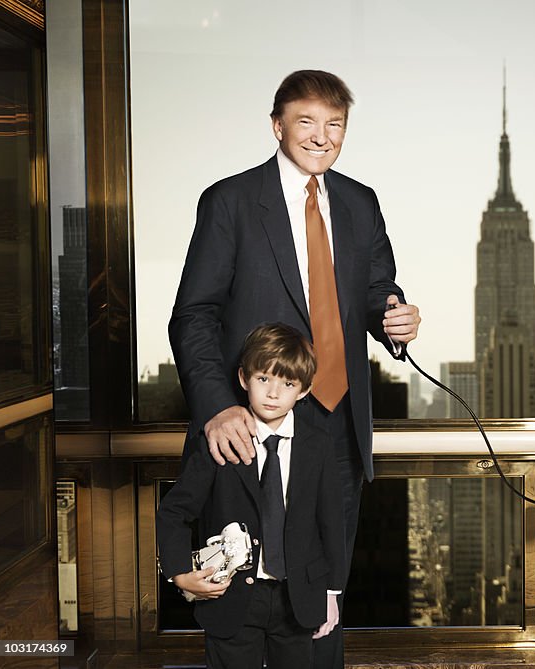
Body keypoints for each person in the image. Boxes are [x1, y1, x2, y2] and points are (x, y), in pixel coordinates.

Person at [168, 69, 421, 668]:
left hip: (335, 430)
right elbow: (193, 316)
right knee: (240, 597)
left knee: (322, 595)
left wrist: (392, 314)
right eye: (307, 121)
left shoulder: (360, 202)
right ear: (278, 124)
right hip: (249, 428)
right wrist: (218, 408)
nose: (321, 136)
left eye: (335, 124)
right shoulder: (230, 201)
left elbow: (373, 289)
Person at [157, 323, 345, 668]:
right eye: (263, 380)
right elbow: (174, 512)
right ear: (244, 378)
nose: (273, 393)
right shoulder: (220, 441)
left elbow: (331, 524)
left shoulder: (318, 446)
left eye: (287, 383)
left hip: (297, 599)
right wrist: (179, 573)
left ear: (303, 390)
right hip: (232, 598)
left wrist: (331, 593)